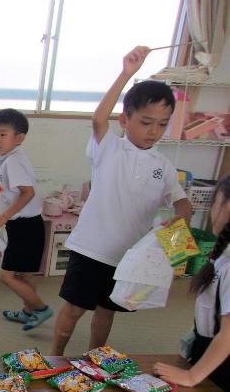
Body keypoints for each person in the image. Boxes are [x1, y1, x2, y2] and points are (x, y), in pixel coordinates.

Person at [52, 46, 192, 355]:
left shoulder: (164, 166)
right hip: (91, 249)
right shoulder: (109, 148)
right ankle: (54, 356)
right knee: (73, 311)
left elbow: (182, 204)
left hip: (128, 257)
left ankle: (93, 360)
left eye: (161, 123)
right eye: (145, 121)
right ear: (124, 120)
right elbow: (97, 118)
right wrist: (126, 73)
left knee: (107, 312)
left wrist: (179, 228)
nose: (153, 131)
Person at [154, 175, 230, 392]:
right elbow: (180, 263)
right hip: (206, 350)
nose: (213, 209)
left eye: (217, 202)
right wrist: (170, 235)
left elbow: (227, 335)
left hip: (220, 363)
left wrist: (192, 375)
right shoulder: (223, 252)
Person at [0, 108, 51, 331]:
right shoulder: (9, 158)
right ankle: (28, 312)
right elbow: (7, 185)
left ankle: (41, 309)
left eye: (3, 134)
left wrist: (2, 217)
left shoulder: (12, 161)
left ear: (19, 138)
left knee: (6, 275)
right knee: (25, 272)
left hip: (25, 226)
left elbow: (27, 192)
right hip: (28, 225)